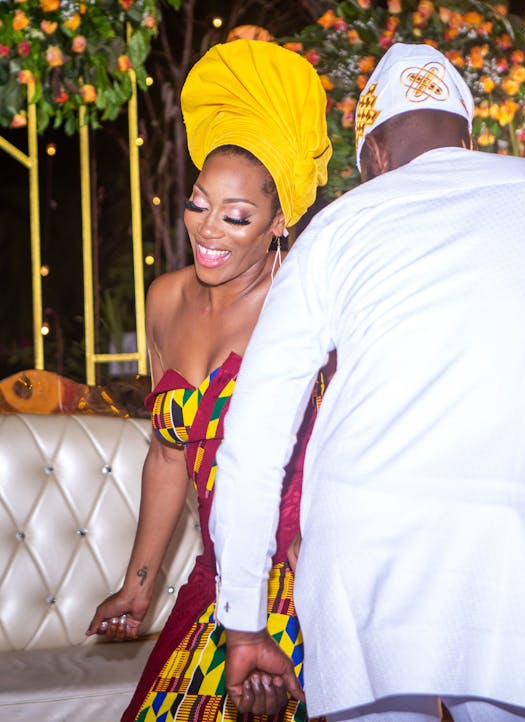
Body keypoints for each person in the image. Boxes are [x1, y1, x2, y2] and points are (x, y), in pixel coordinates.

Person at [210, 43, 525, 722]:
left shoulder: (336, 228)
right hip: (511, 554)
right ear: (467, 134)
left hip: (361, 559)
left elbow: (254, 439)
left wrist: (244, 621)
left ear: (373, 156)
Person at [86, 38, 331, 722]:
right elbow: (168, 453)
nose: (208, 229)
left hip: (299, 590)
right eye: (199, 204)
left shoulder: (304, 313)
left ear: (278, 223)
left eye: (236, 216)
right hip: (217, 582)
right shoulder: (166, 299)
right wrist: (138, 586)